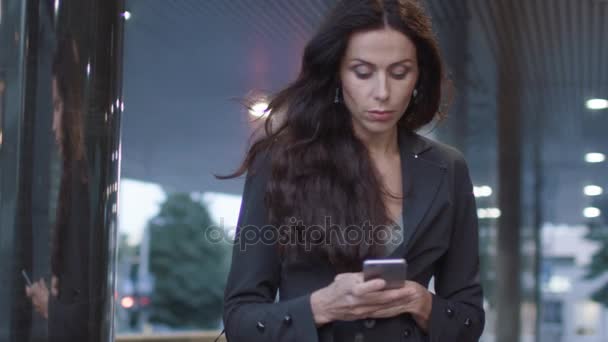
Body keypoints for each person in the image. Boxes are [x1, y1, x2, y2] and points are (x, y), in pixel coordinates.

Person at [220, 0, 484, 341]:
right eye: (362, 72)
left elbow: (470, 319)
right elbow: (240, 319)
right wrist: (321, 307)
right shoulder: (279, 163)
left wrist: (423, 304)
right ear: (336, 74)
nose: (383, 93)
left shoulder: (448, 169)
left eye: (400, 72)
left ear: (419, 76)